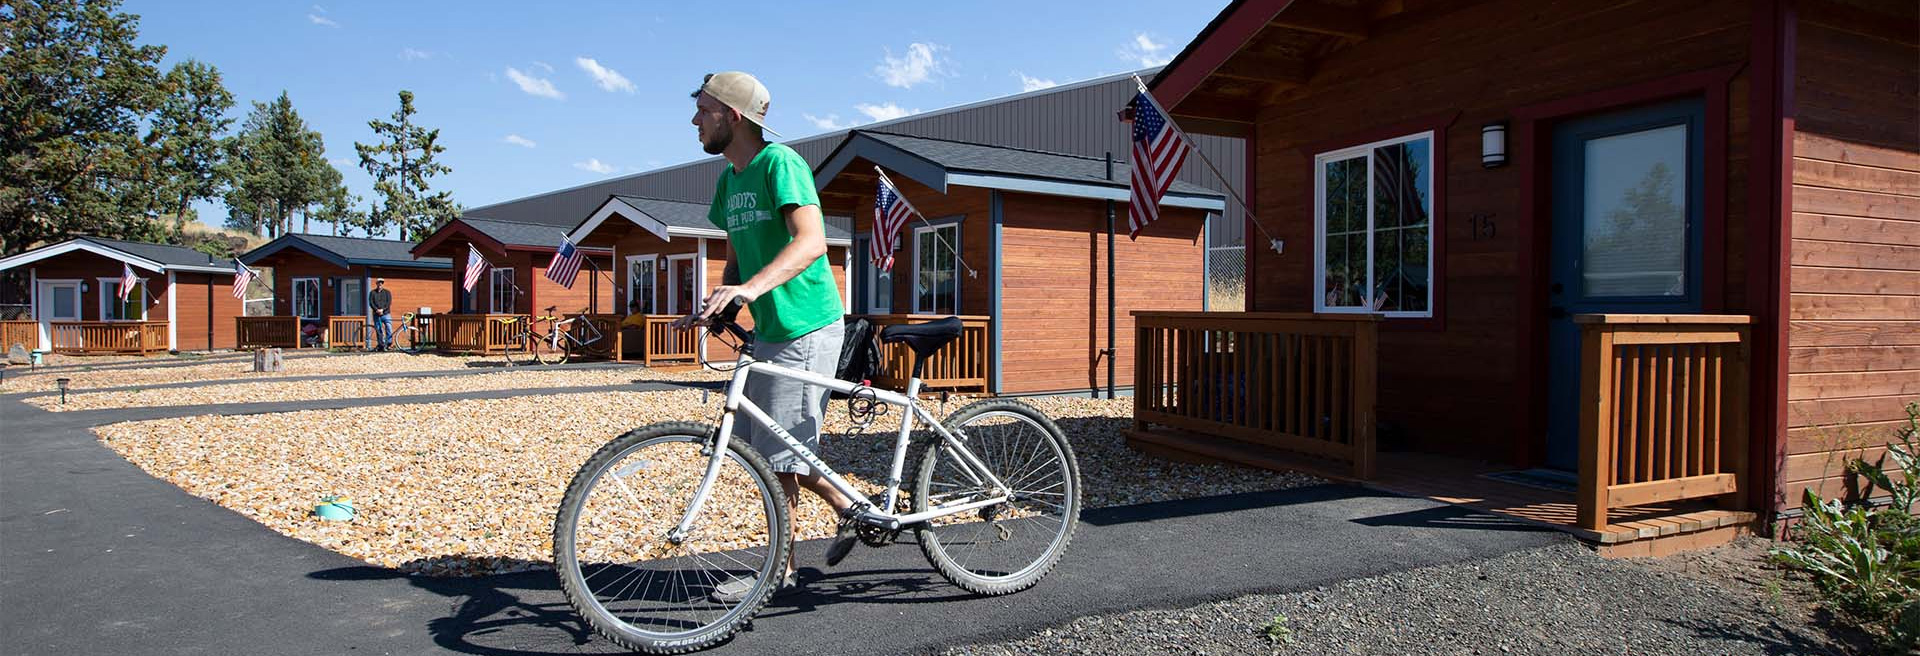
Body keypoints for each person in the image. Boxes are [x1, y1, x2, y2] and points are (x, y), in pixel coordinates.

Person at [675, 71, 852, 600]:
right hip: (771, 331)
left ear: (732, 115)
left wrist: (750, 289)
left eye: (703, 110)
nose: (694, 120)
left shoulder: (781, 163)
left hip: (806, 323)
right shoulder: (729, 180)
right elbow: (736, 258)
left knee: (779, 456)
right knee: (766, 447)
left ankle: (780, 571)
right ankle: (848, 507)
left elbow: (813, 241)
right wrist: (718, 302)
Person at [369, 278, 394, 351]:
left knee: (389, 328)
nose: (380, 284)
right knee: (379, 330)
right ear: (376, 284)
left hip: (386, 313)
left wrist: (383, 310)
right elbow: (371, 302)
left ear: (383, 284)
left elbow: (388, 303)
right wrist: (377, 310)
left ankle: (389, 344)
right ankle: (381, 345)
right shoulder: (372, 293)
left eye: (381, 283)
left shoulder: (387, 292)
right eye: (379, 283)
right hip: (376, 314)